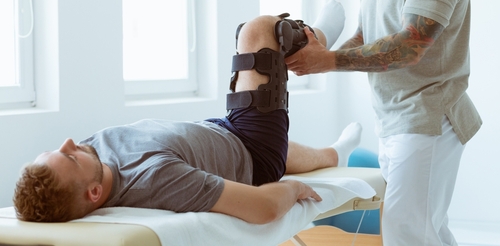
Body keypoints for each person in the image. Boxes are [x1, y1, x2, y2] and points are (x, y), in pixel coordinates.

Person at [13, 12, 361, 225]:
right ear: (93, 193)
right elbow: (263, 209)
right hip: (253, 152)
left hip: (221, 135)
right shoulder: (157, 178)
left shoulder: (89, 160)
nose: (70, 143)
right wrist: (293, 189)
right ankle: (320, 39)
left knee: (298, 151)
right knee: (257, 32)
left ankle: (335, 153)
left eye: (57, 149)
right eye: (70, 157)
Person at [285, 0, 482, 245]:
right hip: (394, 119)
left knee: (407, 233)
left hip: (428, 117)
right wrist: (316, 57)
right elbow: (365, 36)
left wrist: (328, 60)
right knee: (425, 230)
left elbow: (410, 46)